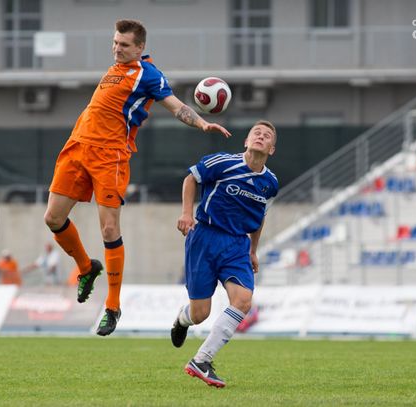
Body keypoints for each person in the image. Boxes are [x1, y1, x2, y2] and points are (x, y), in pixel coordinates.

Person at [43, 19, 231, 336]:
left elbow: (175, 106)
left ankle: (112, 306)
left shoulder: (149, 74)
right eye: (115, 43)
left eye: (124, 45)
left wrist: (201, 123)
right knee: (53, 218)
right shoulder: (115, 68)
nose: (117, 49)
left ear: (140, 47)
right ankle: (87, 268)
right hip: (77, 147)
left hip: (110, 156)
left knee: (109, 228)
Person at [171, 120, 278, 388]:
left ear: (272, 149)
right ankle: (182, 319)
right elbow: (190, 178)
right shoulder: (223, 162)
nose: (261, 136)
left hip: (237, 245)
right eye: (256, 133)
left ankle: (201, 360)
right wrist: (186, 213)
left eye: (267, 136)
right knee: (200, 314)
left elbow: (260, 216)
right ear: (246, 141)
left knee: (243, 301)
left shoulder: (270, 183)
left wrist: (253, 250)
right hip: (205, 238)